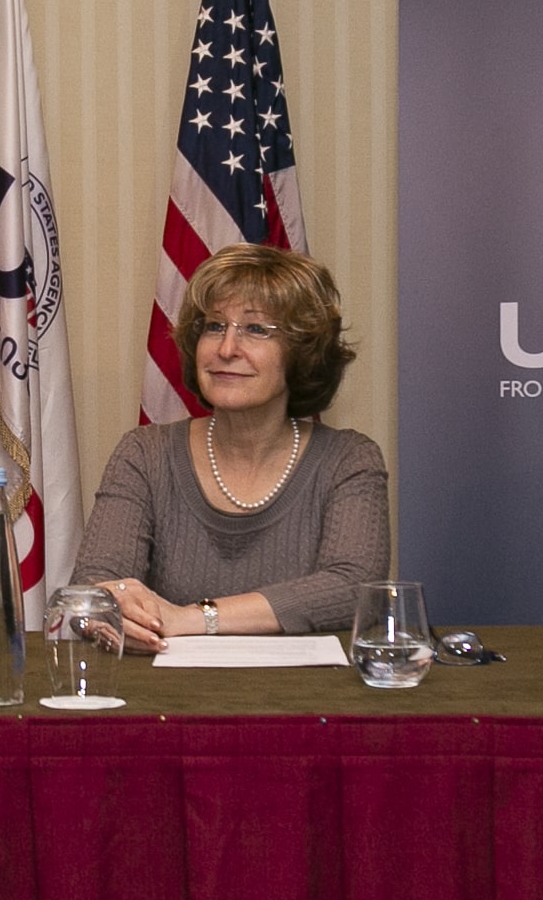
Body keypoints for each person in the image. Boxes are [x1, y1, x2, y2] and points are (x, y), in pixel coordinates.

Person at [72, 244, 390, 649]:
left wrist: (193, 618)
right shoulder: (145, 453)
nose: (226, 349)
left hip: (306, 689)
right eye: (214, 326)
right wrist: (113, 608)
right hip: (168, 686)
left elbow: (353, 589)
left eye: (256, 330)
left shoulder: (350, 459)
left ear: (302, 352)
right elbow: (93, 587)